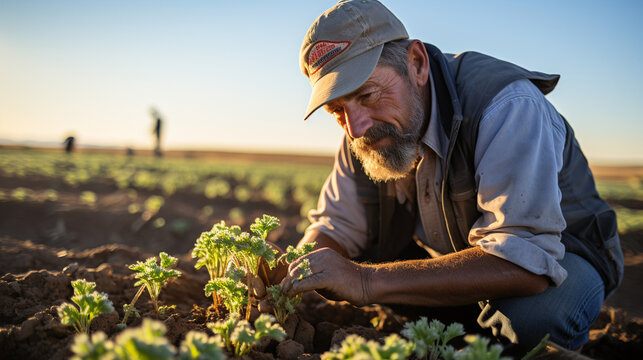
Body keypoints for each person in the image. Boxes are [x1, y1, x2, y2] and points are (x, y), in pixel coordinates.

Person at [274, 0, 624, 353]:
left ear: (417, 64)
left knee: (533, 320)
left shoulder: (506, 105)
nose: (355, 128)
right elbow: (335, 227)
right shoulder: (364, 131)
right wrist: (294, 268)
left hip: (563, 257)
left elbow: (526, 260)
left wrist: (365, 281)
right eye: (337, 111)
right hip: (460, 256)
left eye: (367, 94)